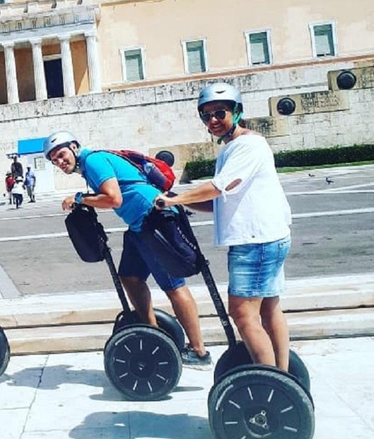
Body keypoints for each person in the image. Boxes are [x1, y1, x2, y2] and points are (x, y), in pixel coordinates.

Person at [154, 82, 292, 372]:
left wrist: (175, 198)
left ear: (237, 112)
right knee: (268, 310)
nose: (213, 120)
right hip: (266, 237)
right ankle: (283, 376)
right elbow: (221, 201)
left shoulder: (247, 144)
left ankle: (271, 384)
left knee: (242, 314)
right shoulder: (235, 147)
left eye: (220, 113)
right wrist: (180, 202)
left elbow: (220, 187)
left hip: (255, 241)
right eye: (206, 116)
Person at [44, 131, 212, 369]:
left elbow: (114, 199)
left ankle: (199, 352)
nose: (60, 162)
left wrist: (80, 198)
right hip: (138, 226)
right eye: (54, 161)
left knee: (174, 286)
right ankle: (153, 333)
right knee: (130, 278)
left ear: (73, 146)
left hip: (154, 219)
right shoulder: (91, 163)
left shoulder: (93, 160)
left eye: (61, 155)